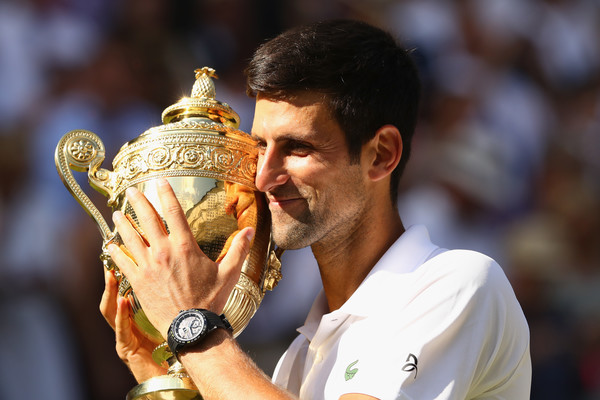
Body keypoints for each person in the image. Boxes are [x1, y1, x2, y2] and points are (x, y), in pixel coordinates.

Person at [100, 19, 531, 399]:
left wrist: (191, 325)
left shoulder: (460, 284)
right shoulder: (298, 359)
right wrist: (164, 373)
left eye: (298, 148)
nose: (264, 178)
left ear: (381, 155)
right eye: (261, 147)